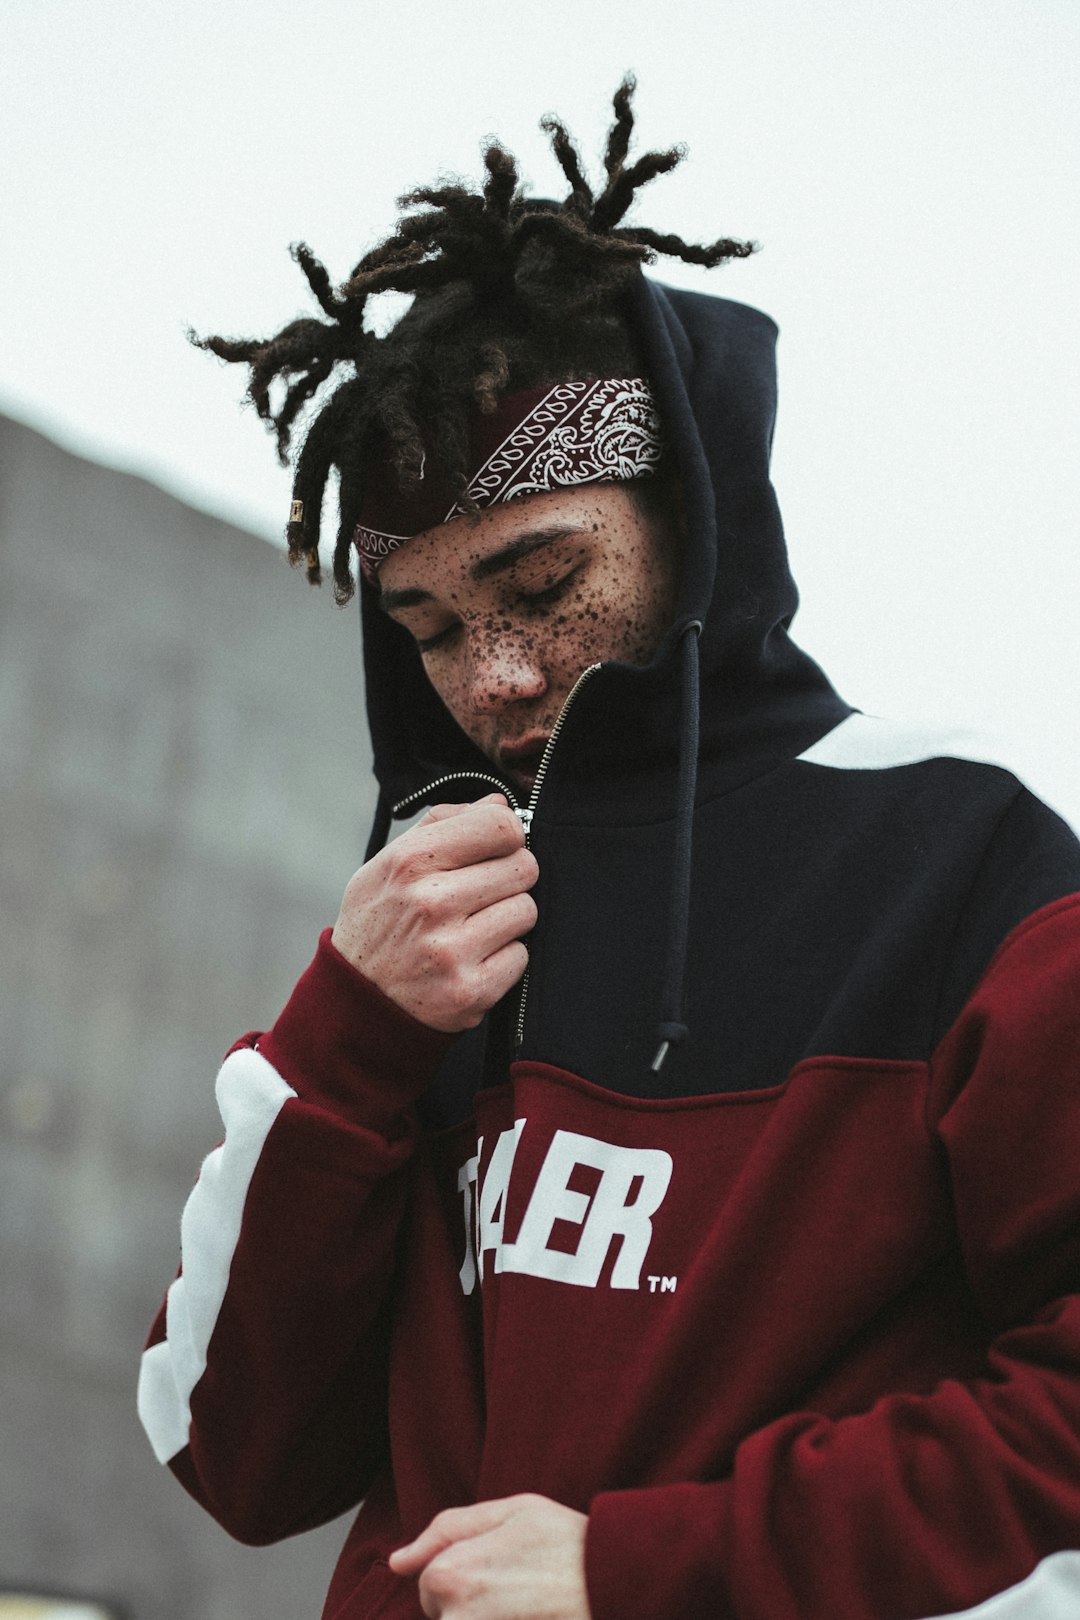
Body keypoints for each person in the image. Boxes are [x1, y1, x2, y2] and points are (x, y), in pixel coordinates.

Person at [138, 79, 1080, 1620]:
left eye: (543, 577)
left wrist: (653, 1572)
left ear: (687, 512)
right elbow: (234, 1461)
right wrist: (347, 1034)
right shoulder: (435, 929)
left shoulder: (963, 870)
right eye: (429, 627)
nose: (494, 673)